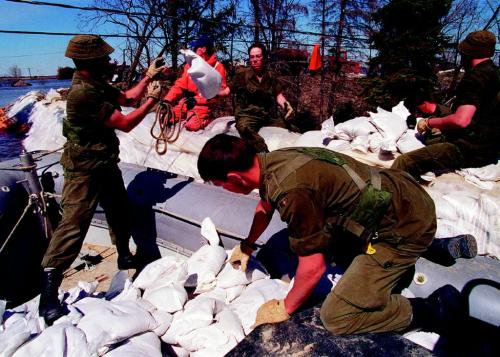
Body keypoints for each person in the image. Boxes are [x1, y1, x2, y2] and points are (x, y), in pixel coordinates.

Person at [197, 134, 472, 335]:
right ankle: (434, 248)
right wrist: (247, 245)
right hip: (398, 198)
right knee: (329, 247)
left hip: (401, 229)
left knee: (338, 317)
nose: (225, 191)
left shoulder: (292, 192)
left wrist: (285, 308)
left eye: (222, 186)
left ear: (235, 178)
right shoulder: (272, 163)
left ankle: (433, 309)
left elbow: (313, 268)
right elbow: (265, 204)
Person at [38, 34, 165, 325]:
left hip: (105, 163)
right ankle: (48, 298)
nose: (110, 61)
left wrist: (148, 77)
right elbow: (126, 122)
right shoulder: (83, 93)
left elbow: (127, 98)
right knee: (73, 226)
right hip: (84, 170)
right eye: (104, 58)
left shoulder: (97, 84)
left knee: (119, 212)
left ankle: (124, 256)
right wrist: (155, 101)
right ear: (90, 62)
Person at [392, 30, 500, 179]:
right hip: (492, 150)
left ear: (468, 54)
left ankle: (390, 199)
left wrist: (429, 122)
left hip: (468, 150)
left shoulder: (475, 77)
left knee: (404, 161)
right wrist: (437, 110)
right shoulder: (495, 73)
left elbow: (461, 121)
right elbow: (481, 114)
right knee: (432, 140)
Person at [230, 42, 295, 153]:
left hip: (266, 116)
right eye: (252, 57)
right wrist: (213, 93)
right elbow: (227, 90)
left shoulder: (270, 76)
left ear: (264, 57)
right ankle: (265, 155)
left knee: (292, 129)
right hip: (247, 115)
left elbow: (278, 95)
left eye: (258, 56)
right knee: (243, 128)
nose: (255, 60)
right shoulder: (242, 75)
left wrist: (287, 106)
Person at [164, 35, 229, 131]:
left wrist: (197, 100)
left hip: (203, 106)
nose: (193, 50)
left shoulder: (217, 68)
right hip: (186, 102)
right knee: (166, 118)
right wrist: (168, 99)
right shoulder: (190, 65)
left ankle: (208, 120)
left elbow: (220, 93)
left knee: (191, 126)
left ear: (203, 49)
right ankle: (185, 117)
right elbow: (180, 85)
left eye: (196, 47)